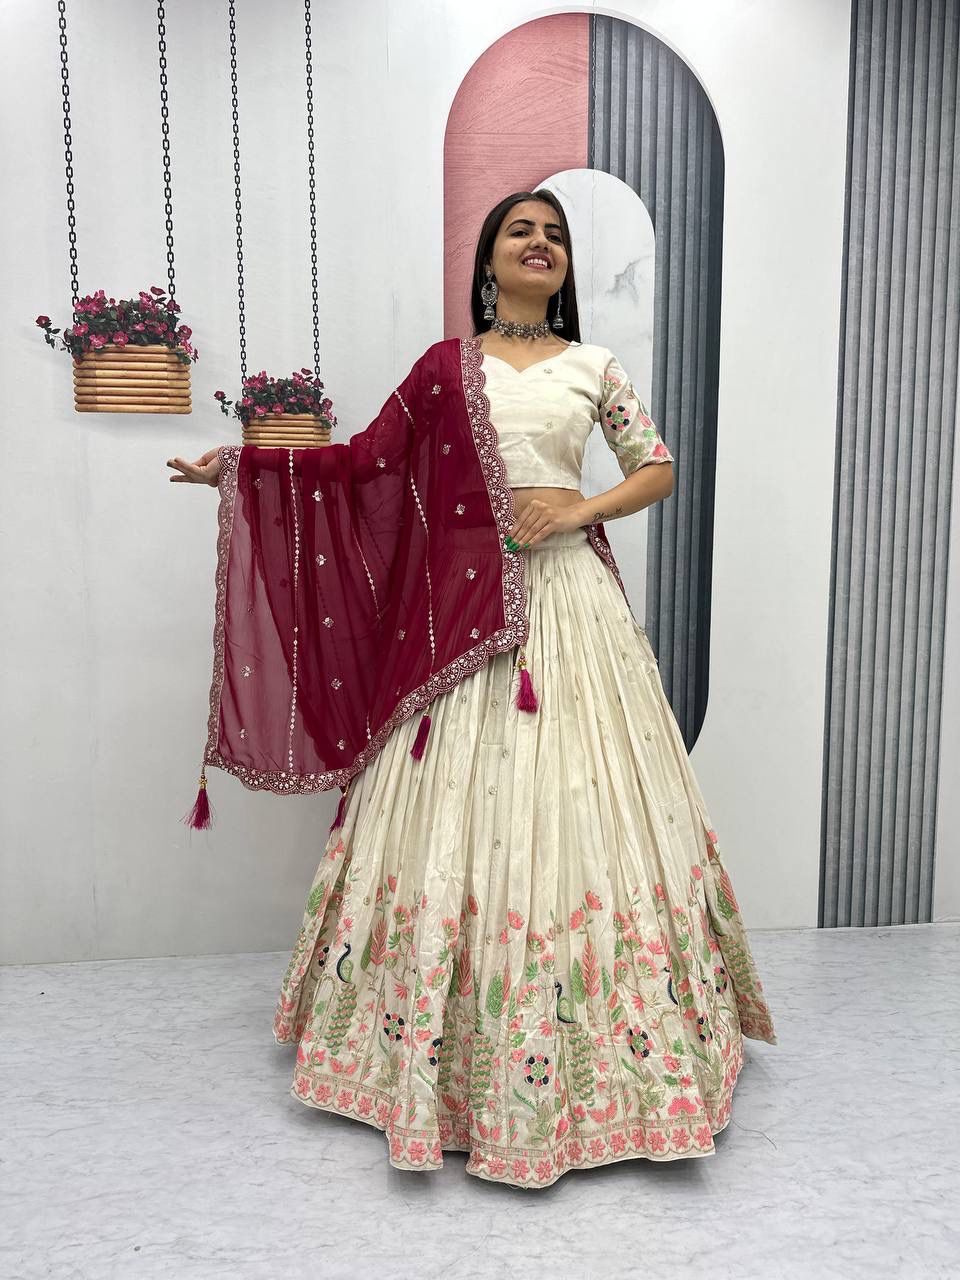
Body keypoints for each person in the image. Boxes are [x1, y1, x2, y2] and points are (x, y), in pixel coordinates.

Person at [167, 190, 776, 1190]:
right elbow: (362, 463)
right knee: (456, 804)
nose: (540, 244)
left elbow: (656, 467)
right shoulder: (444, 369)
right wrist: (243, 470)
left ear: (565, 266)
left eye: (556, 235)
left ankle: (622, 1054)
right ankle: (428, 1052)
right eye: (520, 231)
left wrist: (578, 508)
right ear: (490, 260)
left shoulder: (595, 367)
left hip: (571, 607)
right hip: (459, 619)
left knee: (584, 802)